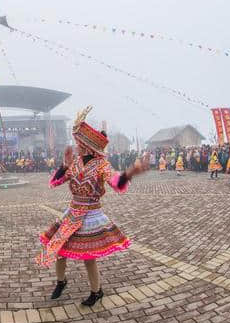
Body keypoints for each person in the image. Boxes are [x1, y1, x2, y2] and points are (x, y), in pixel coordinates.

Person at [36, 107, 148, 306]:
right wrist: (64, 165)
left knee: (89, 257)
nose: (77, 145)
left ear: (88, 145)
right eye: (77, 142)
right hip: (71, 212)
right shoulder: (75, 163)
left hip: (90, 214)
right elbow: (55, 182)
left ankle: (96, 292)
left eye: (80, 143)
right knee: (59, 249)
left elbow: (115, 182)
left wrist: (131, 172)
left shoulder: (102, 165)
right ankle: (61, 282)